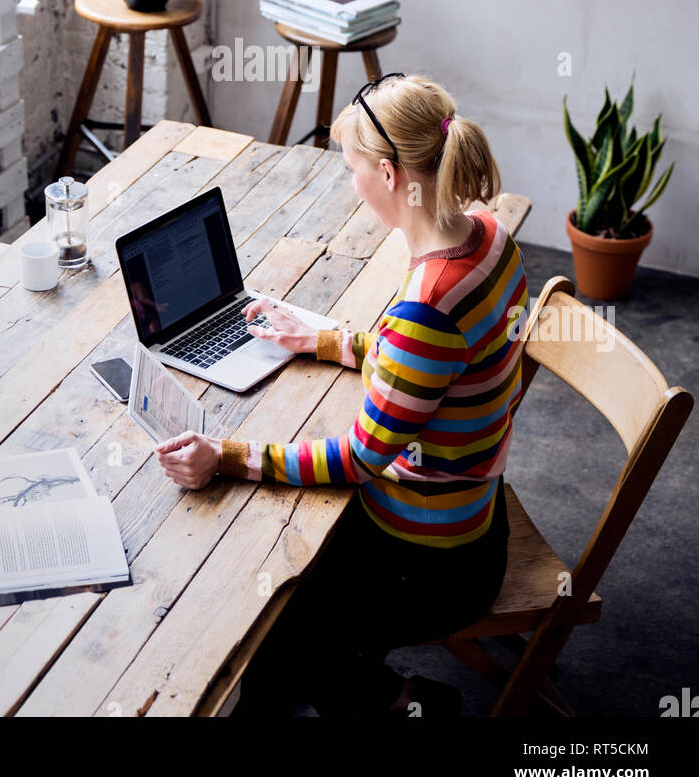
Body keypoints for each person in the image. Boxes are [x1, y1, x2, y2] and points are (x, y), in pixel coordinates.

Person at [154, 73, 529, 718]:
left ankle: (404, 703)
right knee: (283, 576)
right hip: (469, 519)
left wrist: (226, 455)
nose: (349, 181)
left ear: (388, 175)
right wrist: (326, 339)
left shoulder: (427, 308)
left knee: (269, 631)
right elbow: (427, 363)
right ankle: (374, 685)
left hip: (435, 564)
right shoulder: (487, 236)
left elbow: (358, 460)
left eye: (351, 166)